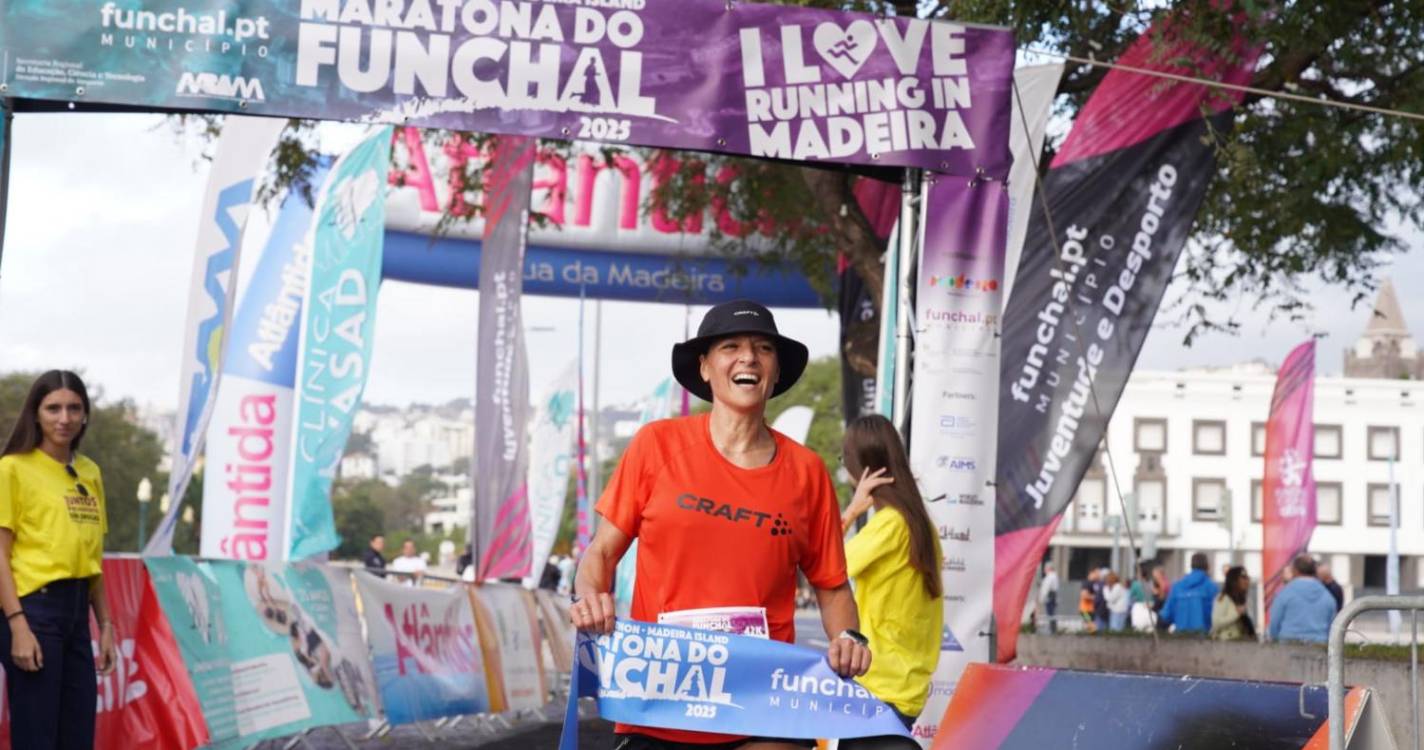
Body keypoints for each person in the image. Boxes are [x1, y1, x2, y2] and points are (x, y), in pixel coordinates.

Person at [571, 299, 871, 750]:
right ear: (706, 368)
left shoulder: (807, 472)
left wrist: (848, 638)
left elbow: (832, 587)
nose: (748, 357)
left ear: (774, 371)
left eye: (763, 348)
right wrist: (592, 598)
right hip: (661, 700)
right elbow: (601, 553)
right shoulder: (656, 446)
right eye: (730, 346)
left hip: (763, 702)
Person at [0, 370, 118, 748]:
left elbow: (92, 555)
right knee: (37, 738)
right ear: (35, 414)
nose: (63, 418)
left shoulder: (90, 472)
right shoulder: (13, 469)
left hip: (76, 615)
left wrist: (106, 624)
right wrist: (17, 624)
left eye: (74, 408)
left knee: (77, 737)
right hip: (33, 610)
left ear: (85, 414)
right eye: (53, 408)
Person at [837, 414, 942, 745]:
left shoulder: (890, 526)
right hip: (904, 686)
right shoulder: (919, 524)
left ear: (861, 469)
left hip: (877, 685)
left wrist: (852, 510)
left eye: (844, 459)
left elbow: (827, 568)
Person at [1269, 555, 1337, 644]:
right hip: (1318, 647)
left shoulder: (1284, 594)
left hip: (1288, 646)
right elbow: (1332, 627)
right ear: (1315, 571)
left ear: (1295, 571)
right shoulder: (1328, 596)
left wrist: (1274, 640)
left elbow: (1274, 623)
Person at [1159, 553, 1219, 634]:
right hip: (1203, 638)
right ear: (1207, 565)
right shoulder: (1212, 587)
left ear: (1191, 565)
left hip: (1180, 637)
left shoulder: (1177, 586)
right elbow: (1217, 616)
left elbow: (1166, 615)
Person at [1210, 566, 1256, 641]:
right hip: (1224, 645)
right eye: (1243, 577)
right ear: (1234, 580)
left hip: (1239, 644)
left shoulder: (1243, 600)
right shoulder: (1223, 598)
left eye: (1247, 577)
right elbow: (1216, 623)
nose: (1247, 580)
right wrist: (1236, 613)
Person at [1039, 563, 1059, 633]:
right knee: (1051, 613)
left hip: (1049, 596)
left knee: (1050, 613)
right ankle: (1052, 629)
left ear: (1048, 568)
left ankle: (1051, 630)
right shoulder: (1054, 576)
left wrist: (1042, 598)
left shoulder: (1050, 576)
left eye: (1045, 568)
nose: (1044, 570)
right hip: (1052, 596)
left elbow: (1046, 588)